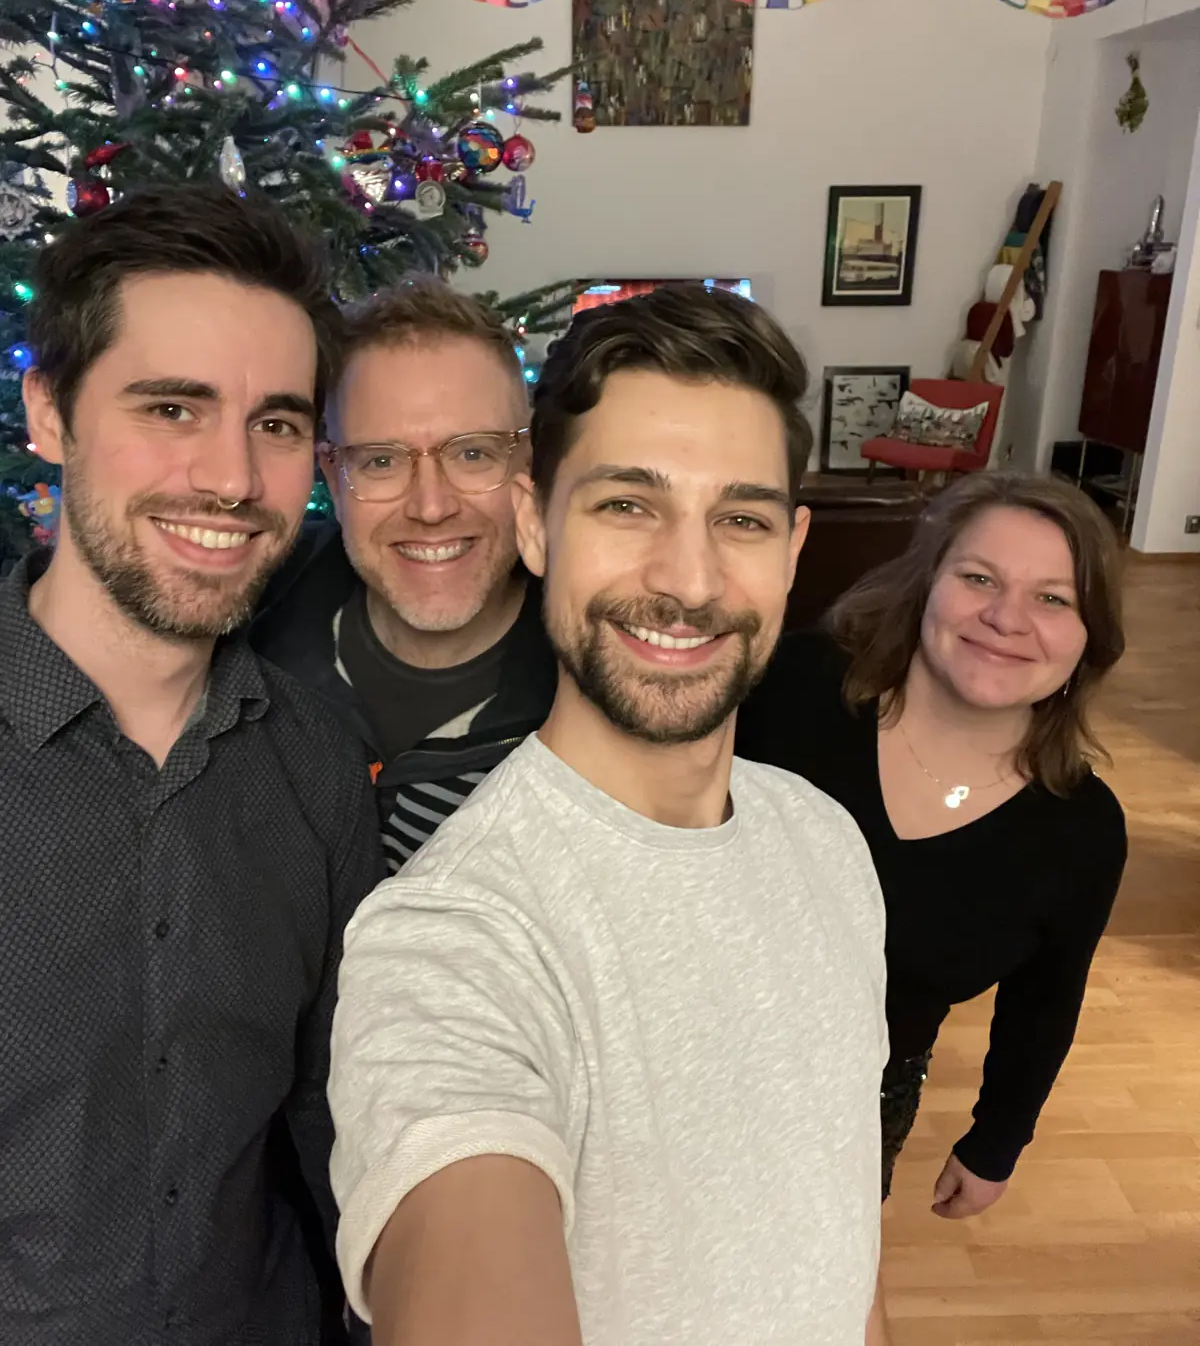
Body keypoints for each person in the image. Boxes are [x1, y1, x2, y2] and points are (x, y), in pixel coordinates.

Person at [329, 284, 892, 1346]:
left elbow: (837, 1228)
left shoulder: (826, 840)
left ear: (794, 548)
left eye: (742, 518)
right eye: (627, 505)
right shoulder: (452, 936)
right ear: (535, 523)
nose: (688, 578)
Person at [2, 186, 383, 1345]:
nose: (232, 478)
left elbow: (339, 1118)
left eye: (275, 423)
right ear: (51, 414)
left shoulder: (316, 765)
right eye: (173, 405)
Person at [736, 471, 1127, 1215]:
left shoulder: (1082, 829)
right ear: (926, 584)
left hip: (862, 1098)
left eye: (1053, 598)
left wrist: (996, 1140)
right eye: (979, 577)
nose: (1006, 618)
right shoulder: (790, 688)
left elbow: (1046, 1000)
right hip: (671, 1041)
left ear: (1090, 637)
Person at [252, 283, 556, 871]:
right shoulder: (238, 643)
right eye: (381, 460)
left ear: (528, 464)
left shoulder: (603, 695)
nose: (432, 506)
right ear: (333, 478)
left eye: (473, 454)